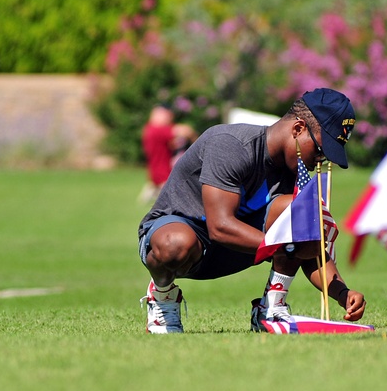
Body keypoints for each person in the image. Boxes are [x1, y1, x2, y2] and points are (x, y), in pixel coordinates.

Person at [137, 88, 367, 333]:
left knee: (300, 212)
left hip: (236, 248)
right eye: (321, 150)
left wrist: (342, 293)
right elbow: (220, 227)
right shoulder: (231, 144)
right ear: (298, 129)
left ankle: (271, 308)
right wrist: (287, 246)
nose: (320, 161)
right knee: (176, 243)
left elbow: (310, 249)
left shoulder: (294, 170)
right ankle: (162, 298)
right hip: (182, 240)